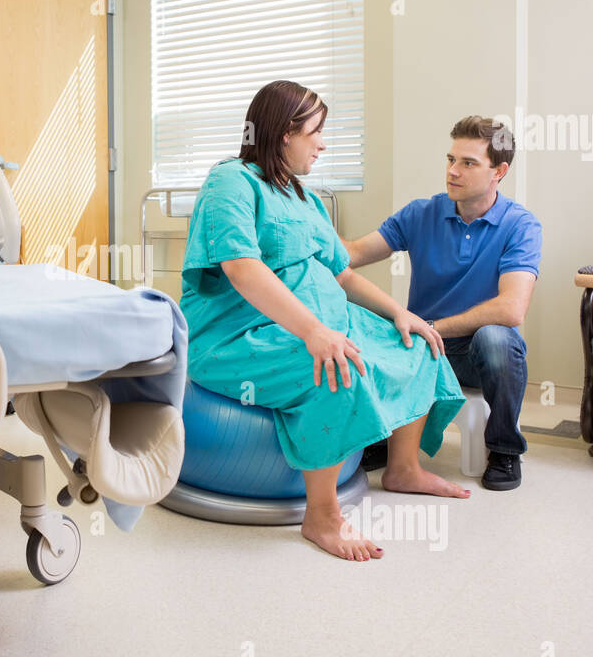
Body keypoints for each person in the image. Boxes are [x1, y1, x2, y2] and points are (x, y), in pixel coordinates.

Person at [180, 80, 469, 563]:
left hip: (322, 320)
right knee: (337, 368)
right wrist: (313, 332)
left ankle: (402, 468)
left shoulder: (303, 197)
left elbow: (341, 273)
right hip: (239, 334)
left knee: (418, 344)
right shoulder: (232, 181)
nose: (323, 143)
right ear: (284, 133)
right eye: (315, 132)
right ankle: (322, 516)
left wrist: (402, 313)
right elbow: (241, 267)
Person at [343, 116, 542, 491]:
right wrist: (306, 226)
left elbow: (512, 308)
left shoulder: (520, 225)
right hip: (418, 350)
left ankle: (503, 449)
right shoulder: (421, 213)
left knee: (498, 339)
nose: (453, 171)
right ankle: (387, 439)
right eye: (450, 160)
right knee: (363, 320)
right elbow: (353, 253)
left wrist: (432, 329)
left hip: (470, 356)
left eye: (468, 163)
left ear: (499, 171)